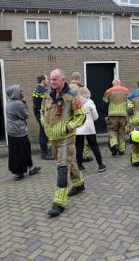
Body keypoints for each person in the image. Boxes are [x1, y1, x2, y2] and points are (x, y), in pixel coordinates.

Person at [40, 69, 86, 217]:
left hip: (67, 139)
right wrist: (45, 125)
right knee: (68, 162)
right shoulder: (47, 95)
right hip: (52, 138)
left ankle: (58, 202)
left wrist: (69, 127)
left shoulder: (72, 96)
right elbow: (42, 112)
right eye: (51, 79)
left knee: (62, 167)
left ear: (63, 80)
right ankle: (79, 184)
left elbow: (81, 115)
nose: (52, 82)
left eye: (55, 79)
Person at [6, 85, 41, 181]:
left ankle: (30, 167)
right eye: (21, 91)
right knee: (22, 150)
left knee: (17, 150)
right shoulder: (18, 103)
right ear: (15, 93)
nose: (22, 93)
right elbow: (26, 115)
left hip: (11, 130)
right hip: (19, 131)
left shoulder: (9, 102)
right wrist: (24, 102)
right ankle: (19, 172)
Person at [76, 87, 106, 172]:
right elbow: (96, 117)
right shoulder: (90, 102)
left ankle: (80, 166)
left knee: (79, 147)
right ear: (87, 93)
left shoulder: (76, 102)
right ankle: (100, 165)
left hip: (78, 128)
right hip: (89, 128)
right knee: (94, 146)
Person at [69, 71, 93, 163]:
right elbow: (84, 100)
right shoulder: (81, 88)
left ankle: (72, 156)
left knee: (72, 138)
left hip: (70, 117)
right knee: (82, 138)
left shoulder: (67, 87)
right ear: (79, 78)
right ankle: (84, 155)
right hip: (79, 116)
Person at [103, 78, 129, 156]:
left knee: (112, 130)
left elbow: (105, 101)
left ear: (113, 83)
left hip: (112, 114)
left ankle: (114, 145)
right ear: (120, 83)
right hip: (123, 114)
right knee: (122, 131)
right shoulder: (126, 90)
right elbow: (128, 101)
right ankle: (121, 150)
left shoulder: (108, 91)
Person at [32, 74, 53, 160]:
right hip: (42, 115)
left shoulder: (36, 89)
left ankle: (45, 151)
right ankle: (45, 154)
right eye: (47, 79)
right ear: (43, 80)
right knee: (43, 134)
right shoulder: (43, 91)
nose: (48, 81)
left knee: (42, 132)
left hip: (37, 113)